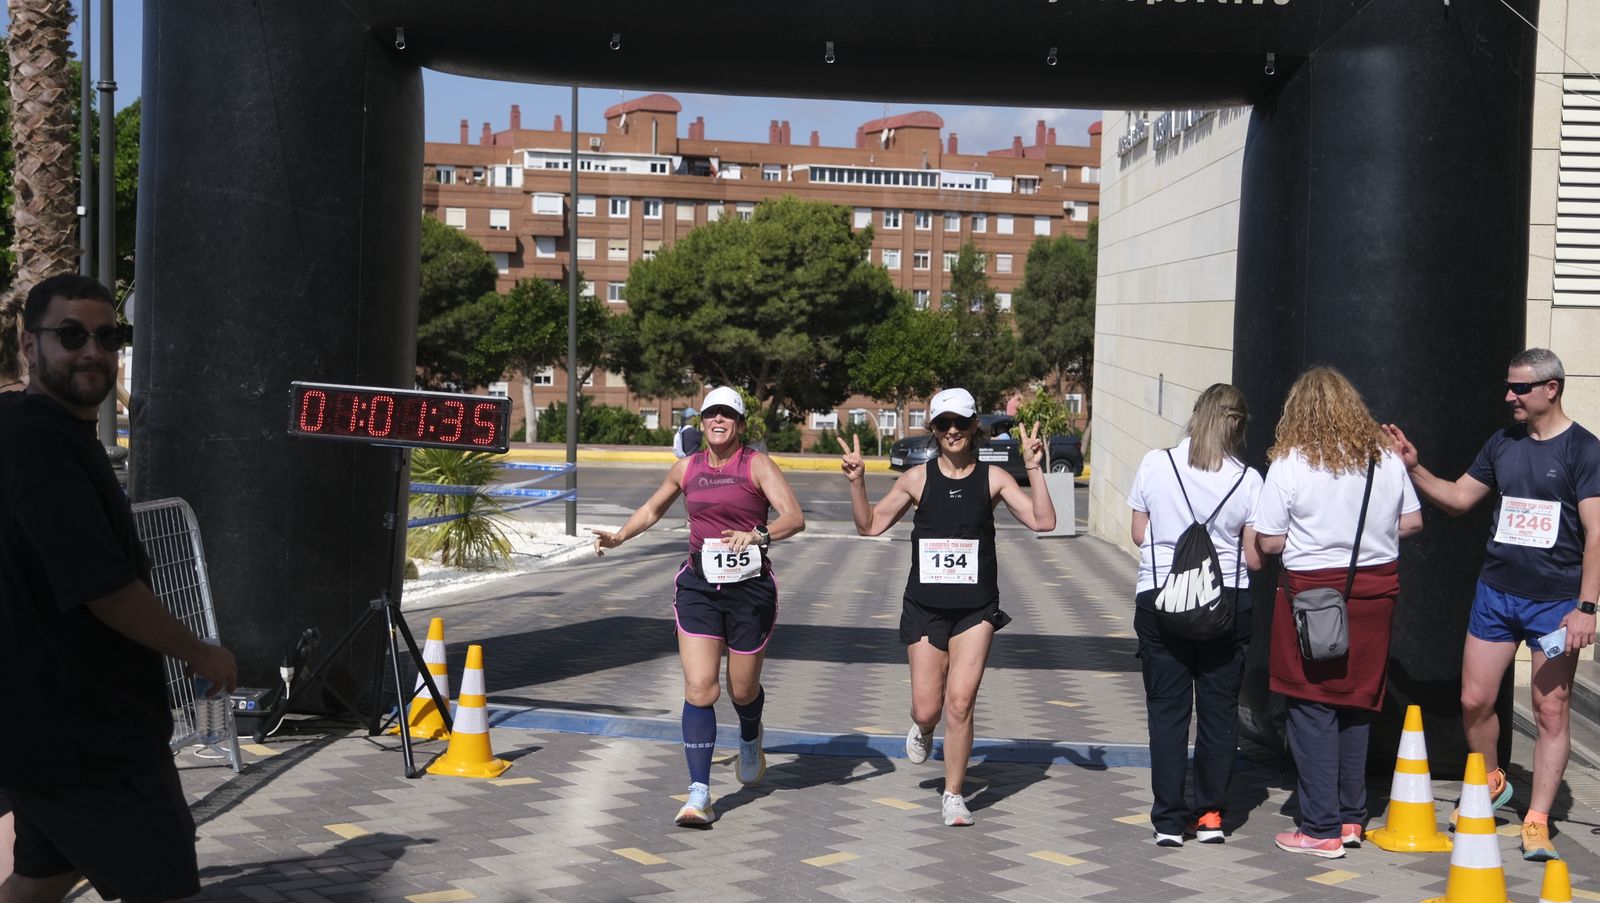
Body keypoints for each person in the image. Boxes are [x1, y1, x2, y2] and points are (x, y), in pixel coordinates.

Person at [0, 273, 239, 902]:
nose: (92, 351)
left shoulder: (35, 432)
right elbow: (105, 588)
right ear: (31, 345)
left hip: (46, 730)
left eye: (108, 336)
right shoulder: (39, 444)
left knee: (43, 876)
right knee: (164, 888)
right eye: (71, 335)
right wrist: (200, 652)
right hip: (86, 734)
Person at [1384, 348, 1600, 862]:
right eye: (1509, 387)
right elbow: (1459, 498)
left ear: (1552, 388)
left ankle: (1537, 819)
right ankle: (1494, 776)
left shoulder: (1584, 451)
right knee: (1474, 702)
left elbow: (1596, 534)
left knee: (1551, 711)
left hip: (1555, 605)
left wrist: (1586, 608)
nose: (1510, 397)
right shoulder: (1503, 443)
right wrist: (1415, 469)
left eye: (1520, 388)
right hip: (1496, 596)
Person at [839, 387, 1055, 826]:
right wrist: (858, 482)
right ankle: (922, 728)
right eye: (943, 424)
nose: (953, 431)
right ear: (933, 430)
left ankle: (954, 794)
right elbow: (870, 526)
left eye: (960, 422)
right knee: (928, 708)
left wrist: (1034, 468)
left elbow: (1044, 521)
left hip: (976, 609)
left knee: (960, 702)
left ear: (975, 425)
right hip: (925, 607)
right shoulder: (916, 479)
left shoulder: (994, 478)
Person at [592, 386, 804, 827]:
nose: (718, 421)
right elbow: (652, 510)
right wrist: (618, 537)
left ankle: (750, 734)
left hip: (749, 590)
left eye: (727, 414)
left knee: (741, 690)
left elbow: (793, 517)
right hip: (699, 588)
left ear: (740, 423)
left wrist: (759, 535)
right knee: (701, 689)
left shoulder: (757, 464)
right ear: (702, 422)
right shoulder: (687, 468)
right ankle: (700, 793)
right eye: (711, 415)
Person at [1250, 367, 1422, 859]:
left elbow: (1268, 539)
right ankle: (1350, 818)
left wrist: (1319, 539)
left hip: (1311, 599)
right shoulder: (1385, 459)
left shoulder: (1290, 462)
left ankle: (1320, 828)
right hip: (1375, 596)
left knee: (1311, 706)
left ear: (1296, 411)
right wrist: (1367, 539)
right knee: (1357, 703)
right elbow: (1411, 522)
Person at [1127, 384, 1263, 847]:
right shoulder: (1248, 479)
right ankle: (1209, 816)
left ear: (1195, 415)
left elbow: (1138, 532)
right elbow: (1253, 555)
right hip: (1226, 606)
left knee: (1167, 712)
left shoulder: (1155, 463)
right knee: (1218, 711)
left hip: (1161, 600)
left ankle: (1167, 820)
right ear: (1238, 428)